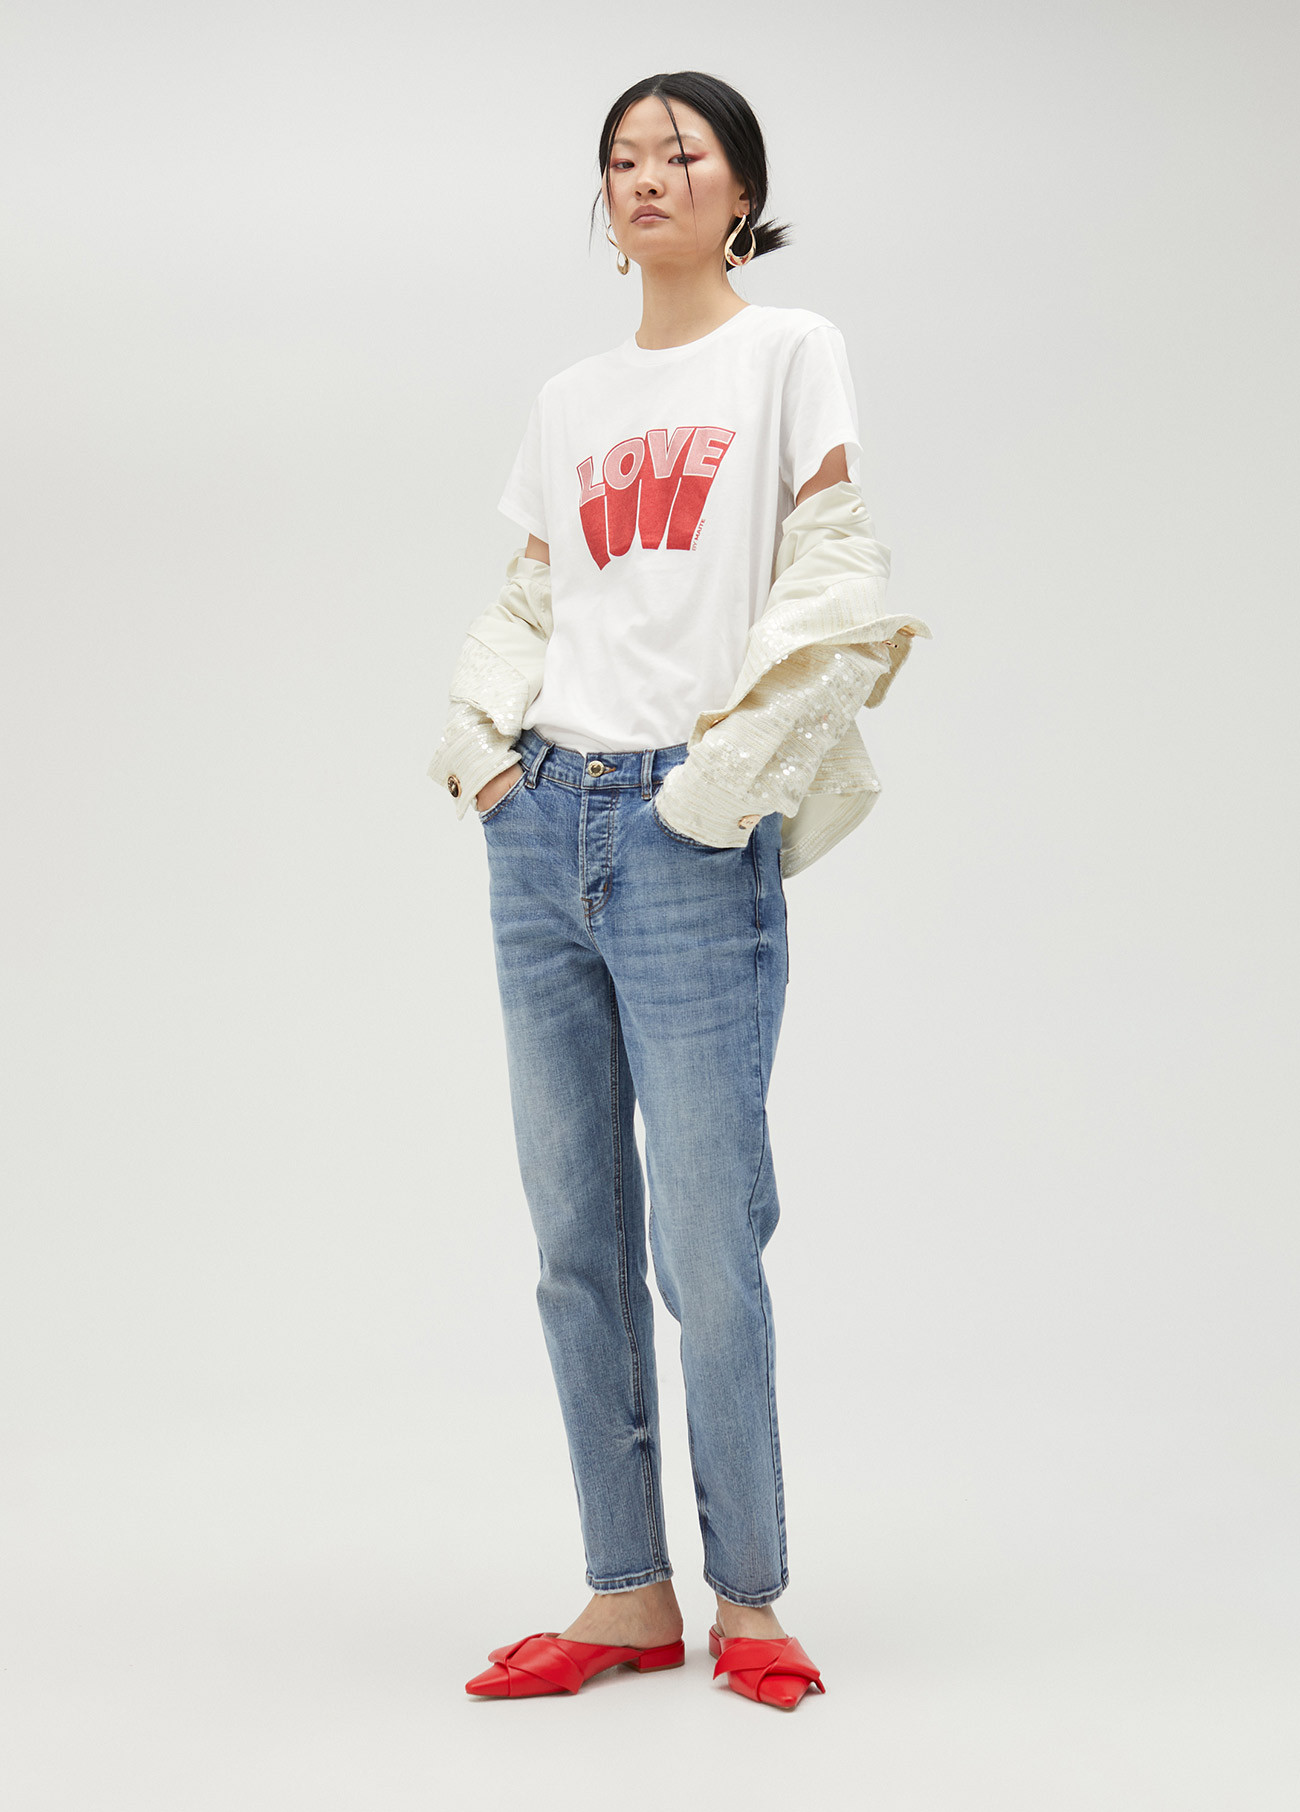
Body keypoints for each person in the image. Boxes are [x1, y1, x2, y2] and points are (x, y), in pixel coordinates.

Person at [428, 70, 930, 1709]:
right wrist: (483, 755)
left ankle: (753, 1599)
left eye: (681, 153)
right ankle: (625, 1592)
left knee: (710, 1241)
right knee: (574, 1238)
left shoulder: (789, 352)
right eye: (623, 158)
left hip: (683, 831)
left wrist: (715, 798)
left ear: (740, 193)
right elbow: (531, 595)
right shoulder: (569, 398)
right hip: (542, 825)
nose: (646, 177)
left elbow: (836, 575)